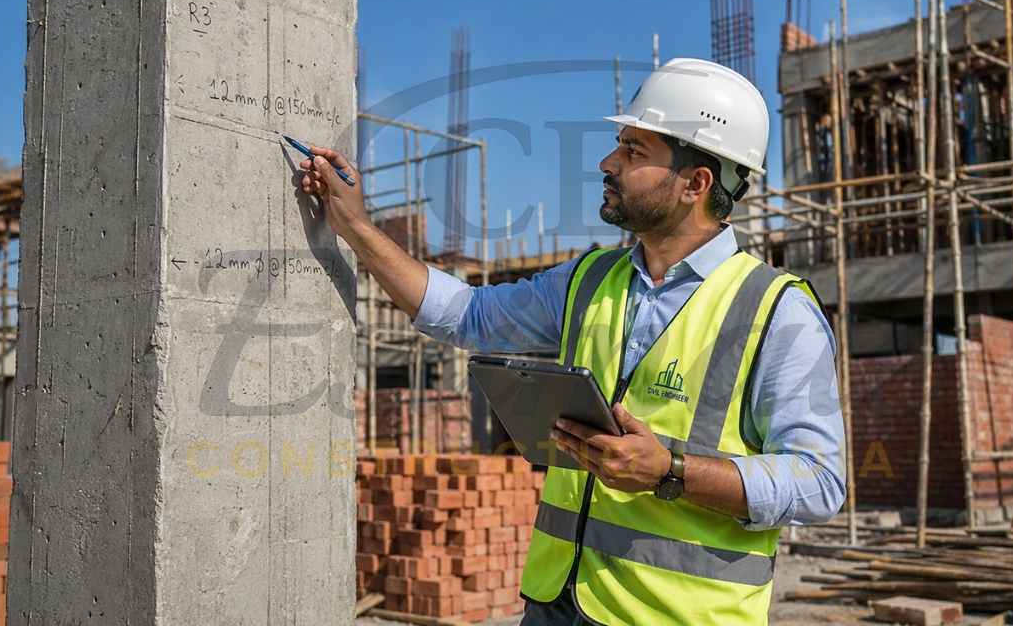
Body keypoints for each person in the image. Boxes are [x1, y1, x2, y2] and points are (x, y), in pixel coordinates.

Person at [298, 58, 846, 626]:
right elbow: (464, 314)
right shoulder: (588, 280)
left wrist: (671, 470)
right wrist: (357, 228)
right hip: (555, 603)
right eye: (620, 145)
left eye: (635, 152)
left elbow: (819, 482)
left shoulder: (777, 311)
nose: (609, 163)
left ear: (696, 183)